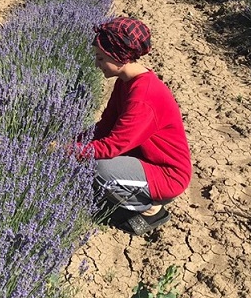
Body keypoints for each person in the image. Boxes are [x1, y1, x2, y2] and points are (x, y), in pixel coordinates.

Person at [81, 16, 192, 236]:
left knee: (99, 169)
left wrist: (68, 152)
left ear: (119, 57)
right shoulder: (126, 83)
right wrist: (68, 142)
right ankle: (130, 194)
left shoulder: (144, 96)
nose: (97, 64)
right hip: (144, 159)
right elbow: (104, 127)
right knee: (90, 159)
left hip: (167, 175)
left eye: (101, 59)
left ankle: (151, 209)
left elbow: (112, 146)